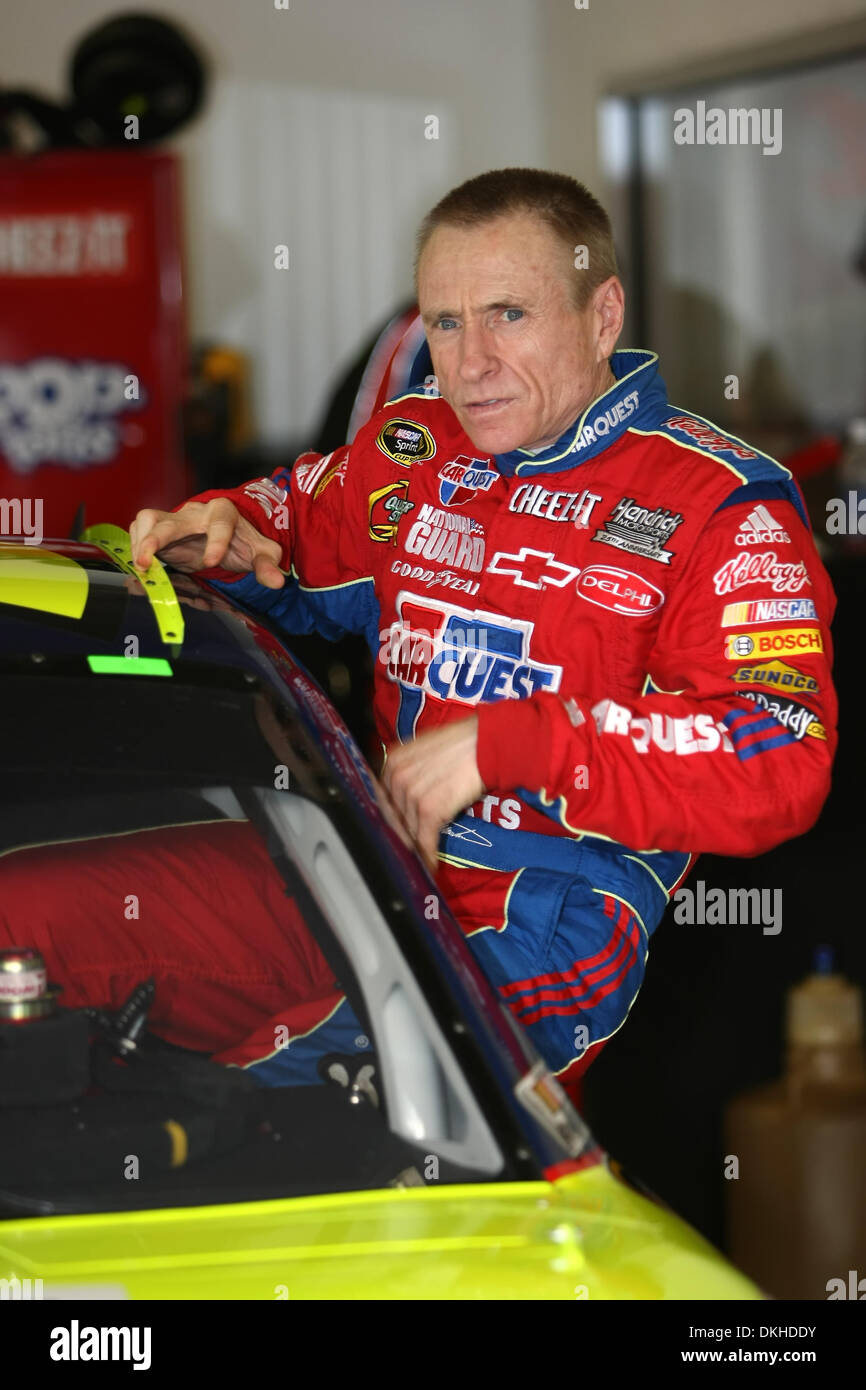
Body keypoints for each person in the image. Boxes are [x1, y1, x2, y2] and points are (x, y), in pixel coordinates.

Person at [130, 167, 837, 1098]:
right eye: (447, 322)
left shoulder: (722, 505)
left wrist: (518, 744)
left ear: (601, 313)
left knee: (260, 1112)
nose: (469, 363)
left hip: (553, 911)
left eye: (508, 314)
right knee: (47, 924)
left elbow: (780, 755)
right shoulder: (416, 442)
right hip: (368, 859)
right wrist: (217, 529)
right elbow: (296, 530)